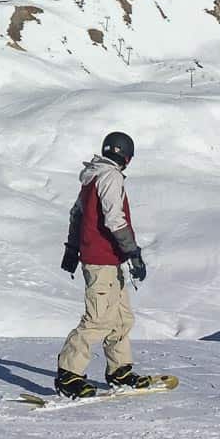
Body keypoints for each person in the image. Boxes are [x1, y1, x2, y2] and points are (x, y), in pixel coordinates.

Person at [54, 130, 156, 398]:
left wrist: (71, 248)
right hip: (101, 261)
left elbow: (76, 214)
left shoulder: (93, 177)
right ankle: (69, 374)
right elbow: (115, 219)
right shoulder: (109, 177)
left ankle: (119, 370)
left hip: (109, 260)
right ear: (128, 158)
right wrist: (133, 252)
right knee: (98, 319)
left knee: (122, 318)